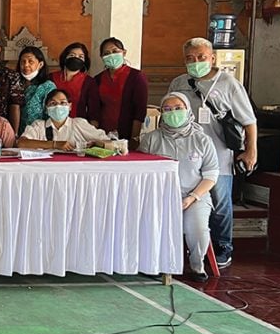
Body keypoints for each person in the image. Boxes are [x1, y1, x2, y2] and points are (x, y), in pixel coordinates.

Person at [168, 37, 257, 269]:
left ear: (212, 58)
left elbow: (249, 120)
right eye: (190, 58)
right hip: (186, 156)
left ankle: (222, 246)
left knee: (220, 202)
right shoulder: (179, 83)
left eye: (201, 57)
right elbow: (169, 112)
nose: (195, 62)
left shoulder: (228, 83)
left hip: (219, 154)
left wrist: (251, 150)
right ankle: (188, 246)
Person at [139, 92, 220, 282]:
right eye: (167, 110)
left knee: (197, 229)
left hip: (194, 197)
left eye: (178, 108)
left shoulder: (202, 140)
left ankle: (196, 265)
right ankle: (155, 263)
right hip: (158, 197)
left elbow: (211, 175)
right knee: (150, 224)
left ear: (188, 110)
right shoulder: (151, 139)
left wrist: (192, 197)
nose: (172, 113)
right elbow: (142, 170)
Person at [95, 37, 149, 146]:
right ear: (102, 57)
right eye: (106, 53)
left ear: (124, 53)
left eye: (115, 51)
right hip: (102, 133)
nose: (111, 55)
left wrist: (134, 137)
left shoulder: (136, 77)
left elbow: (139, 110)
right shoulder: (98, 79)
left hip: (127, 132)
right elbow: (95, 109)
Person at [17, 89, 109, 150]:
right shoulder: (39, 126)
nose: (58, 106)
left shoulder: (78, 124)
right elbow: (21, 143)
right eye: (53, 103)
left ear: (70, 106)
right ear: (46, 108)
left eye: (63, 103)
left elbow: (106, 141)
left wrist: (95, 144)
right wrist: (55, 145)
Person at [50, 42, 100, 124]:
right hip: (52, 125)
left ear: (85, 61)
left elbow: (94, 111)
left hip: (78, 126)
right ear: (65, 57)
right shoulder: (51, 78)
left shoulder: (89, 82)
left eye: (81, 57)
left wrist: (92, 130)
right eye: (72, 55)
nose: (76, 58)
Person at [16, 45, 55, 133]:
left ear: (40, 64)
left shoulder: (47, 86)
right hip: (14, 135)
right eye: (23, 62)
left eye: (31, 61)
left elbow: (51, 115)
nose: (26, 65)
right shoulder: (15, 84)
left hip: (38, 135)